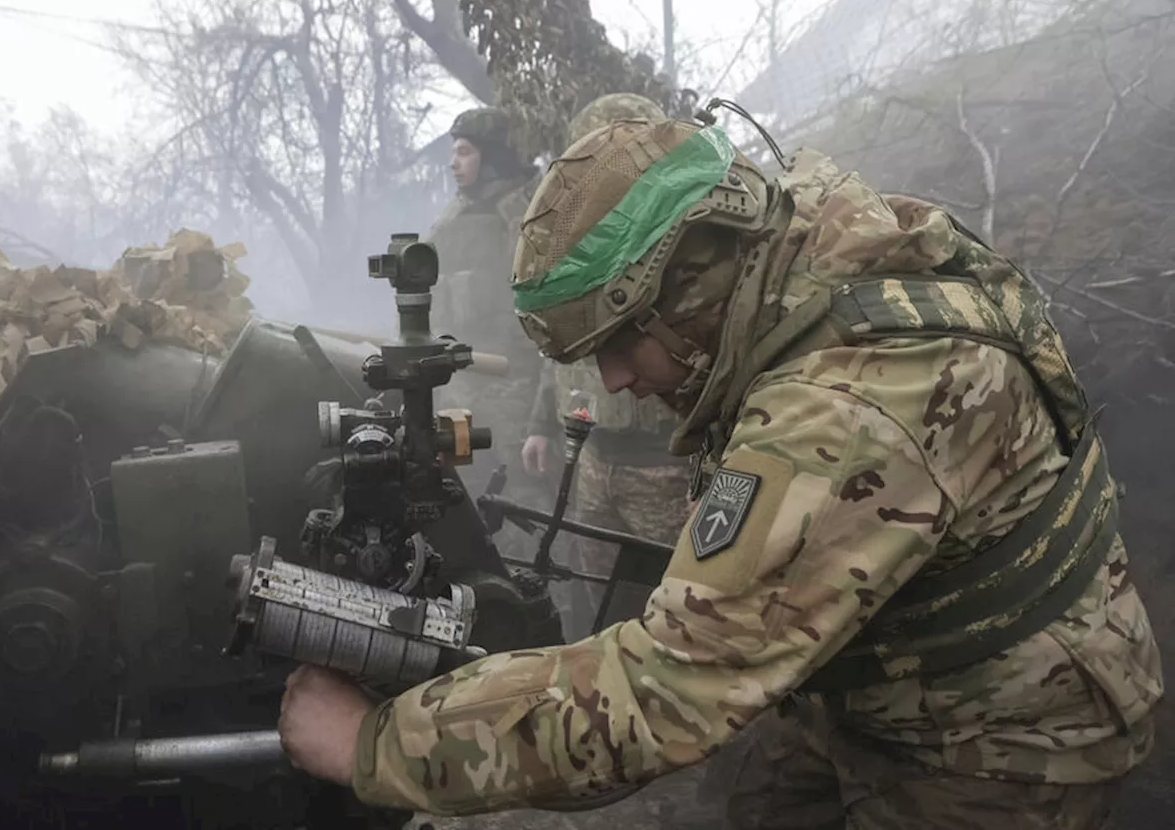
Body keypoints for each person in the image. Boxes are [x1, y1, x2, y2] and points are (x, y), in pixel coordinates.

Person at [277, 115, 1163, 828]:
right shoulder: (782, 237)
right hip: (874, 673)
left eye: (620, 341)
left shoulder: (846, 410)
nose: (616, 379)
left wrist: (375, 742)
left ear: (689, 284)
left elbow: (662, 691)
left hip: (1005, 732)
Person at [522, 93, 690, 640]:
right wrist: (540, 425)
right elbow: (558, 345)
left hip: (664, 464)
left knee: (679, 605)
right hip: (592, 458)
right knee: (597, 600)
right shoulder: (568, 239)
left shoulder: (685, 231)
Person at [427, 106, 544, 513]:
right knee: (460, 490)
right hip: (460, 381)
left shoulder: (530, 215)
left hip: (516, 385)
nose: (453, 163)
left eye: (464, 152)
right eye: (454, 152)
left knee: (525, 501)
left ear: (492, 158)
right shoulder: (452, 216)